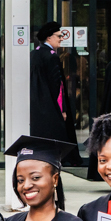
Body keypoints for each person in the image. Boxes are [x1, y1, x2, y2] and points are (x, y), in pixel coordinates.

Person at [29, 22, 77, 159]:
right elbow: (57, 86)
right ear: (49, 38)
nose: (61, 39)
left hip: (36, 103)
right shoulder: (52, 56)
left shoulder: (34, 53)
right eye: (59, 36)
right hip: (50, 104)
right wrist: (62, 109)